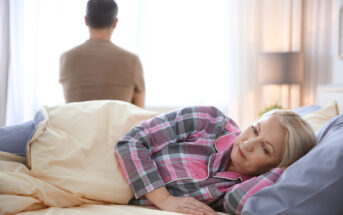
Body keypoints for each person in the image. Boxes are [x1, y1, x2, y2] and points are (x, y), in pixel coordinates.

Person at [115, 106, 317, 215]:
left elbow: (240, 205)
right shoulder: (211, 121)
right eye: (254, 129)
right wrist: (164, 199)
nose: (247, 144)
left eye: (265, 149)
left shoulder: (238, 189)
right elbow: (132, 141)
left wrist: (288, 166)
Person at [59, 0, 145, 108]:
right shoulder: (132, 61)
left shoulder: (66, 58)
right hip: (119, 125)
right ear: (115, 23)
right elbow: (140, 112)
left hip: (75, 125)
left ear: (86, 20)